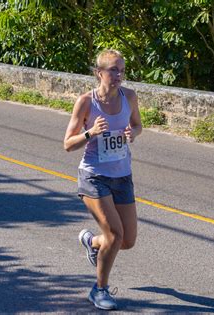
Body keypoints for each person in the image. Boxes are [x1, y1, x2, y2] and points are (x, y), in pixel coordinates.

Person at [63, 49, 142, 310]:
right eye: (113, 70)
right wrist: (91, 133)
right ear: (99, 73)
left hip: (122, 176)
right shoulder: (86, 102)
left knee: (127, 241)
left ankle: (92, 242)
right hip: (94, 176)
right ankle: (99, 289)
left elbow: (138, 125)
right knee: (115, 234)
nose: (119, 75)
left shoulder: (129, 96)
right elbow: (67, 144)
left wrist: (133, 132)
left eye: (121, 70)